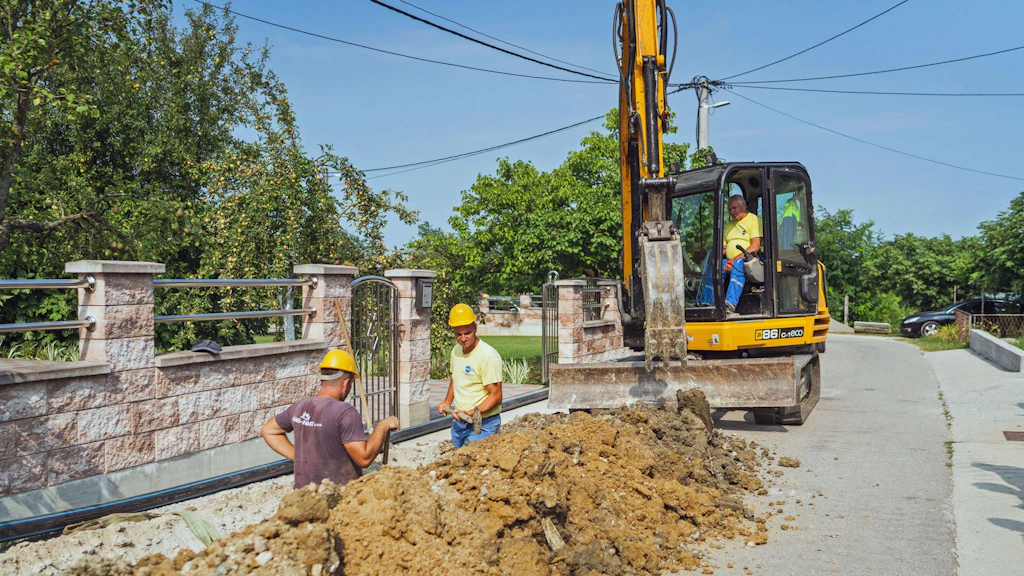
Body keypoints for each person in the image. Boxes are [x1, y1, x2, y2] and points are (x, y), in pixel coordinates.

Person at [261, 349, 399, 489]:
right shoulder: (344, 412)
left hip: (304, 496)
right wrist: (383, 424)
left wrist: (298, 456)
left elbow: (268, 430)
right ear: (346, 383)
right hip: (338, 497)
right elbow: (364, 458)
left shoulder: (299, 406)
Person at [437, 303, 503, 448]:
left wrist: (471, 412)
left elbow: (496, 396)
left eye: (467, 333)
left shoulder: (487, 356)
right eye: (458, 334)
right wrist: (447, 401)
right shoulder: (456, 350)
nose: (463, 338)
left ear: (475, 328)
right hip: (460, 423)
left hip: (483, 425)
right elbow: (456, 378)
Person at [701, 194, 762, 316]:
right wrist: (715, 257)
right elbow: (724, 246)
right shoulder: (730, 224)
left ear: (743, 206)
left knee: (737, 265)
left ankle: (730, 304)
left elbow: (755, 246)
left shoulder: (754, 220)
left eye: (734, 208)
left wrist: (732, 261)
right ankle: (706, 302)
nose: (732, 212)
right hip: (731, 260)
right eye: (729, 209)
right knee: (714, 267)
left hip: (750, 259)